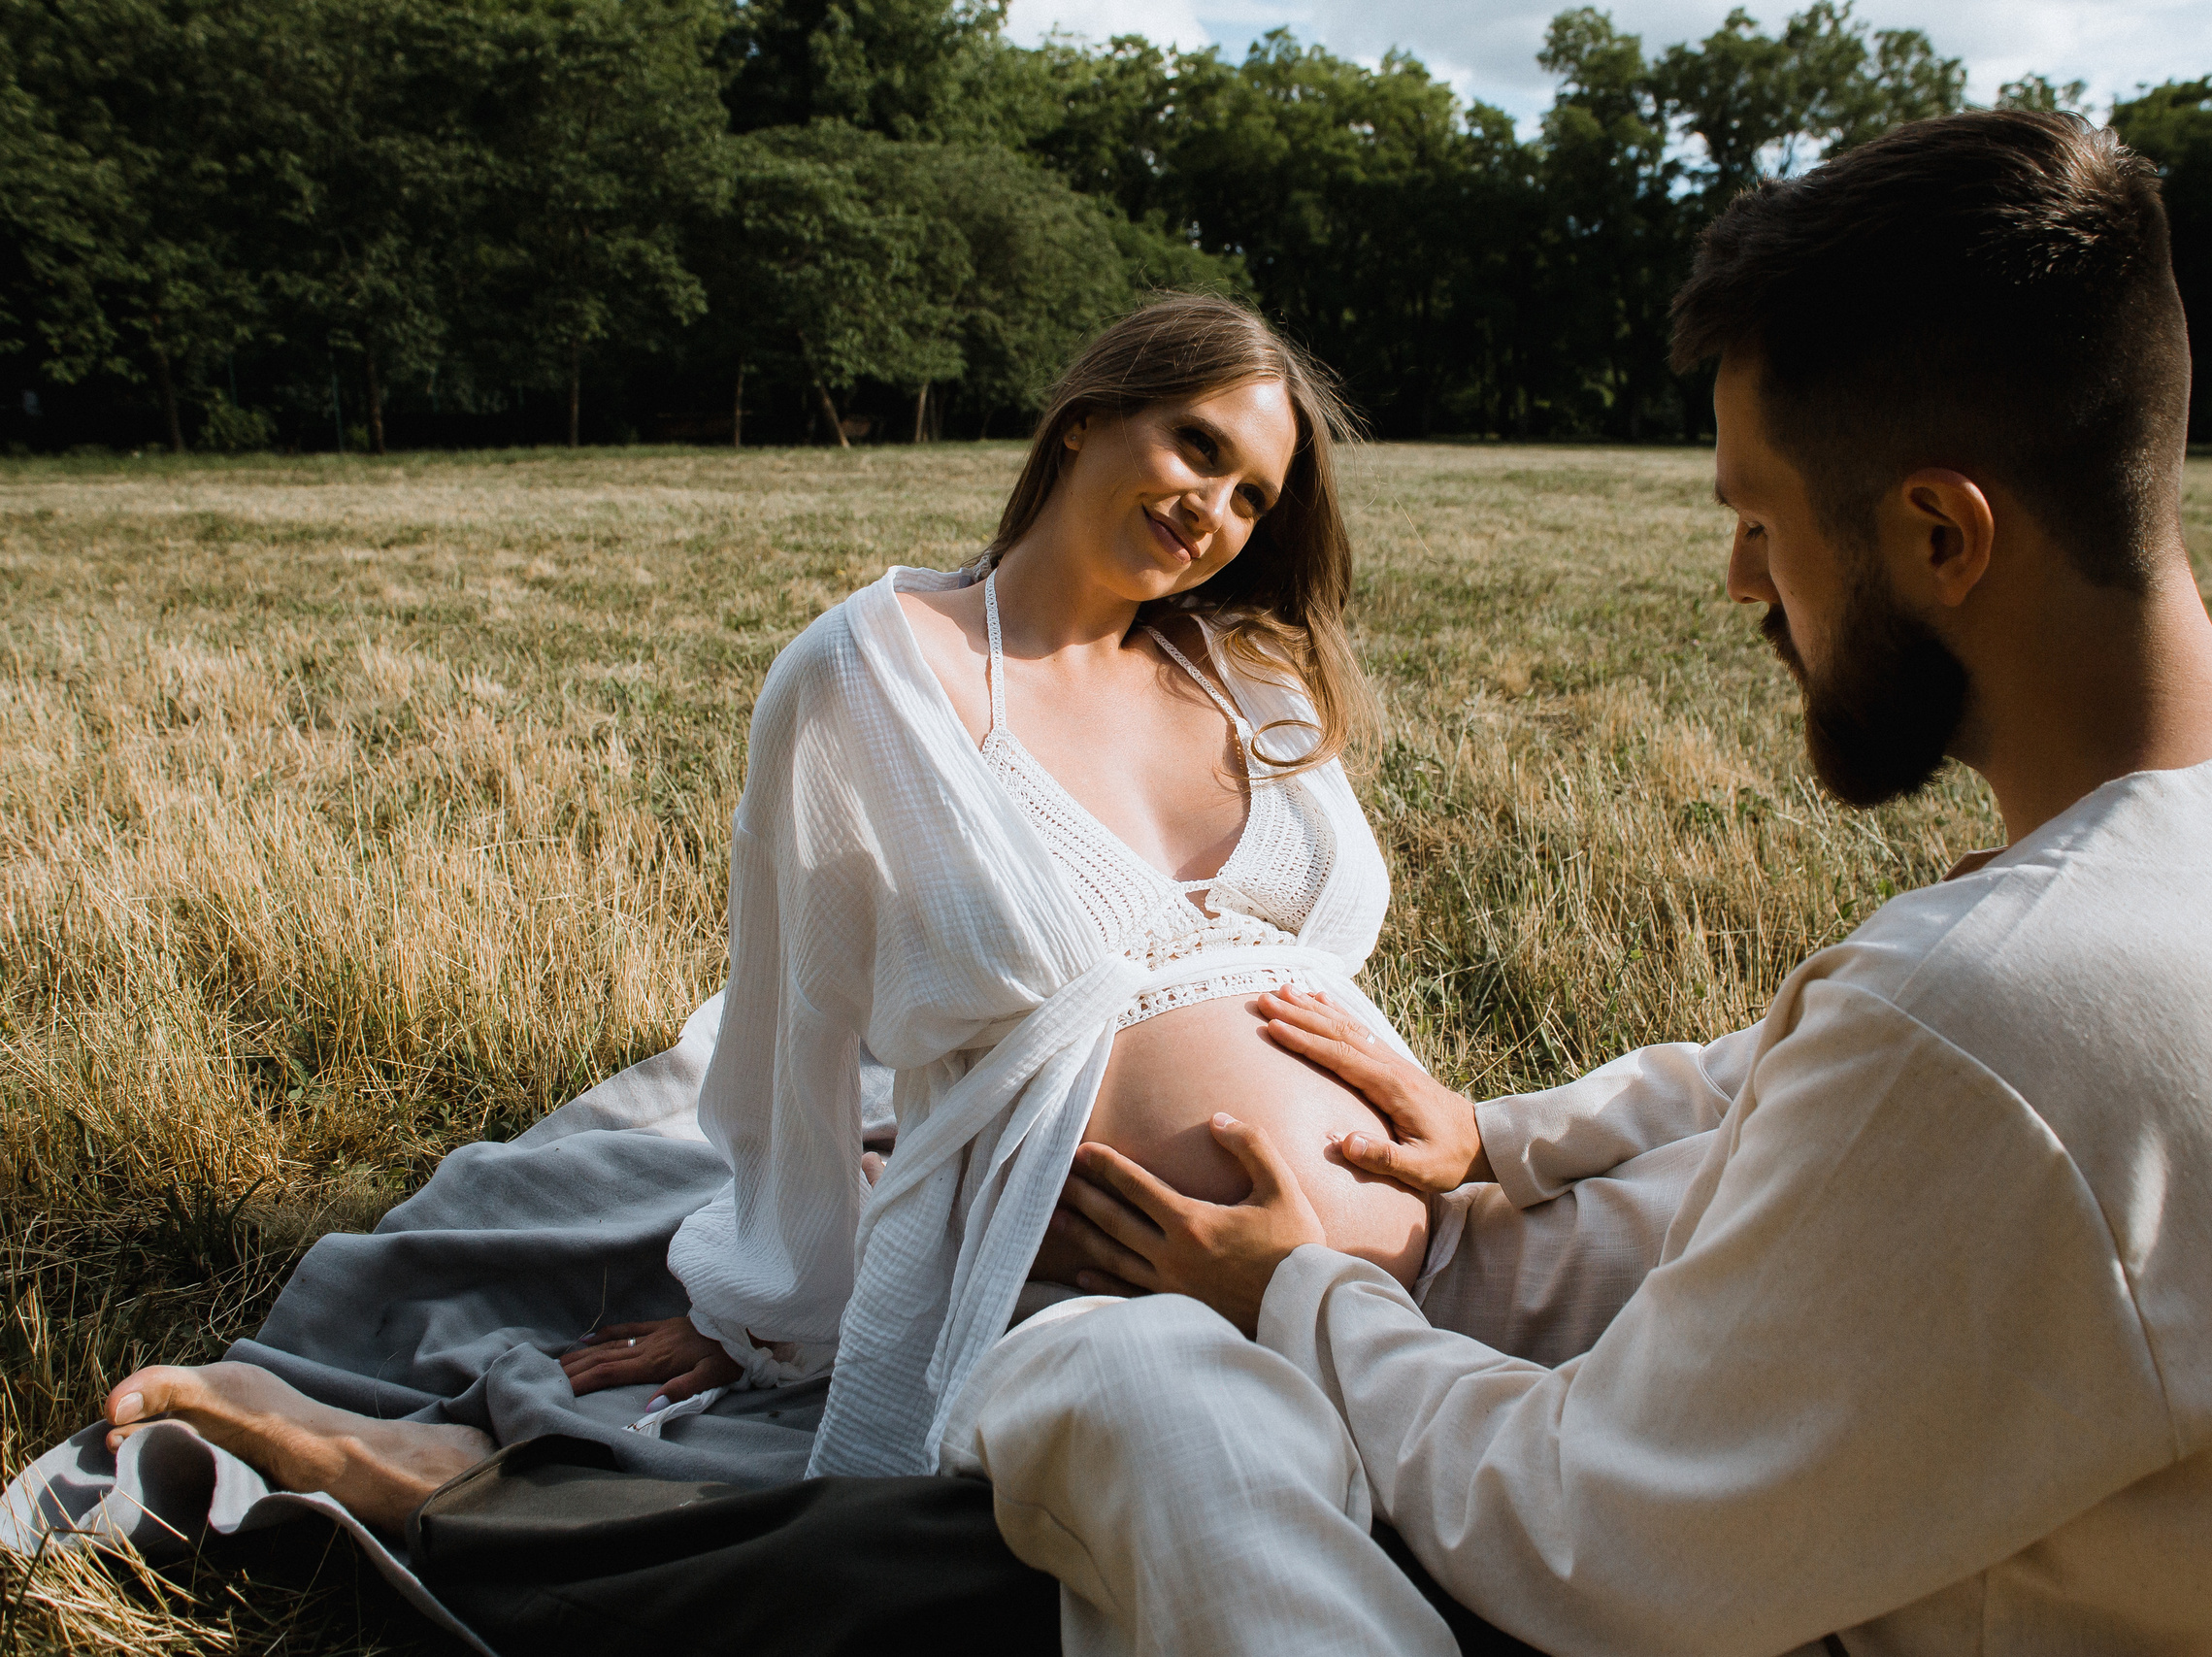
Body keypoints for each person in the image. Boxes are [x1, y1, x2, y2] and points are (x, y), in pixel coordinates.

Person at [938, 111, 2212, 1656]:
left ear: (1942, 532)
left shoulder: (1991, 1013)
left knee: (1137, 1387)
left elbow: (1581, 1541)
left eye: (1761, 522)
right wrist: (1501, 1135)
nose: (1745, 583)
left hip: (1829, 1611)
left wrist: (1298, 1295)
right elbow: (1788, 1074)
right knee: (1685, 1183)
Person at [68, 293, 1434, 1532]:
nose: (1216, 509)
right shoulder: (875, 678)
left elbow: (1308, 971)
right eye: (1198, 447)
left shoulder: (1251, 676)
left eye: (1253, 496)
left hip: (1405, 1272)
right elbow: (798, 1014)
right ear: (1084, 423)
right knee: (956, 1563)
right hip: (1091, 1278)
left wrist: (1454, 1136)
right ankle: (424, 1479)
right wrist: (762, 1309)